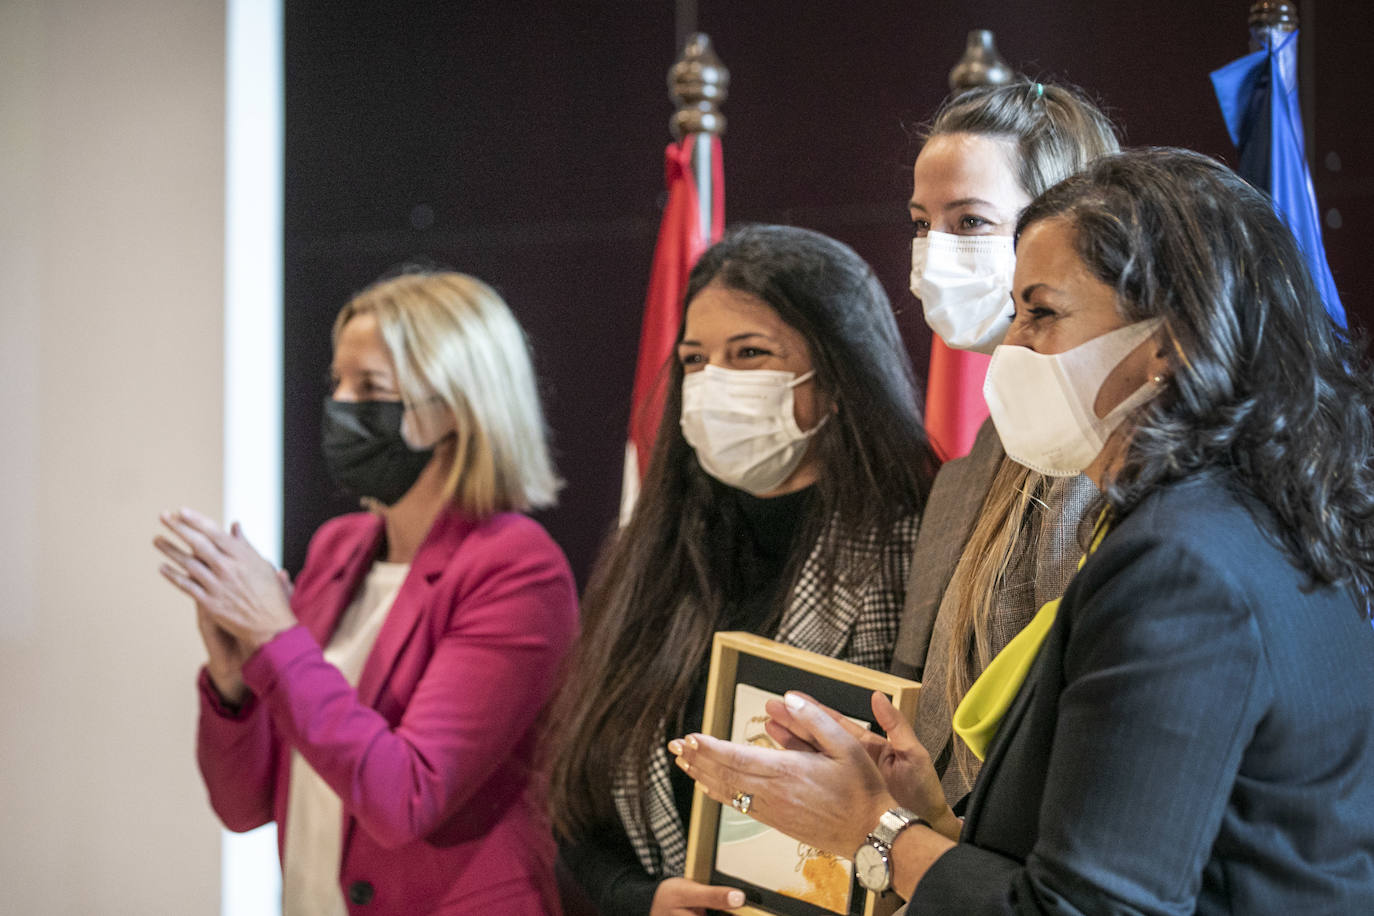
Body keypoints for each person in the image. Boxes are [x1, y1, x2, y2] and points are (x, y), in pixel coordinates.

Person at [673, 148, 1374, 913]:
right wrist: (926, 820)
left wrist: (872, 831)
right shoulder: (1259, 508)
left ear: (1167, 344)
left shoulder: (1180, 563)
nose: (1010, 348)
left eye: (1041, 313)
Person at [154, 271, 579, 915]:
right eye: (337, 384)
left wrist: (276, 638)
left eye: (371, 388)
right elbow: (241, 808)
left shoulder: (515, 567)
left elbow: (405, 796)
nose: (340, 406)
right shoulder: (338, 547)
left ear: (458, 409)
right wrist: (235, 679)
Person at [550, 224, 940, 915]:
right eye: (695, 360)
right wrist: (644, 899)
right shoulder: (658, 549)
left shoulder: (919, 553)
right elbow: (579, 805)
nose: (712, 382)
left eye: (749, 353)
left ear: (840, 375)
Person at [895, 80, 1121, 804]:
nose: (934, 254)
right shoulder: (964, 473)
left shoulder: (1115, 458)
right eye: (922, 223)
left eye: (969, 222)